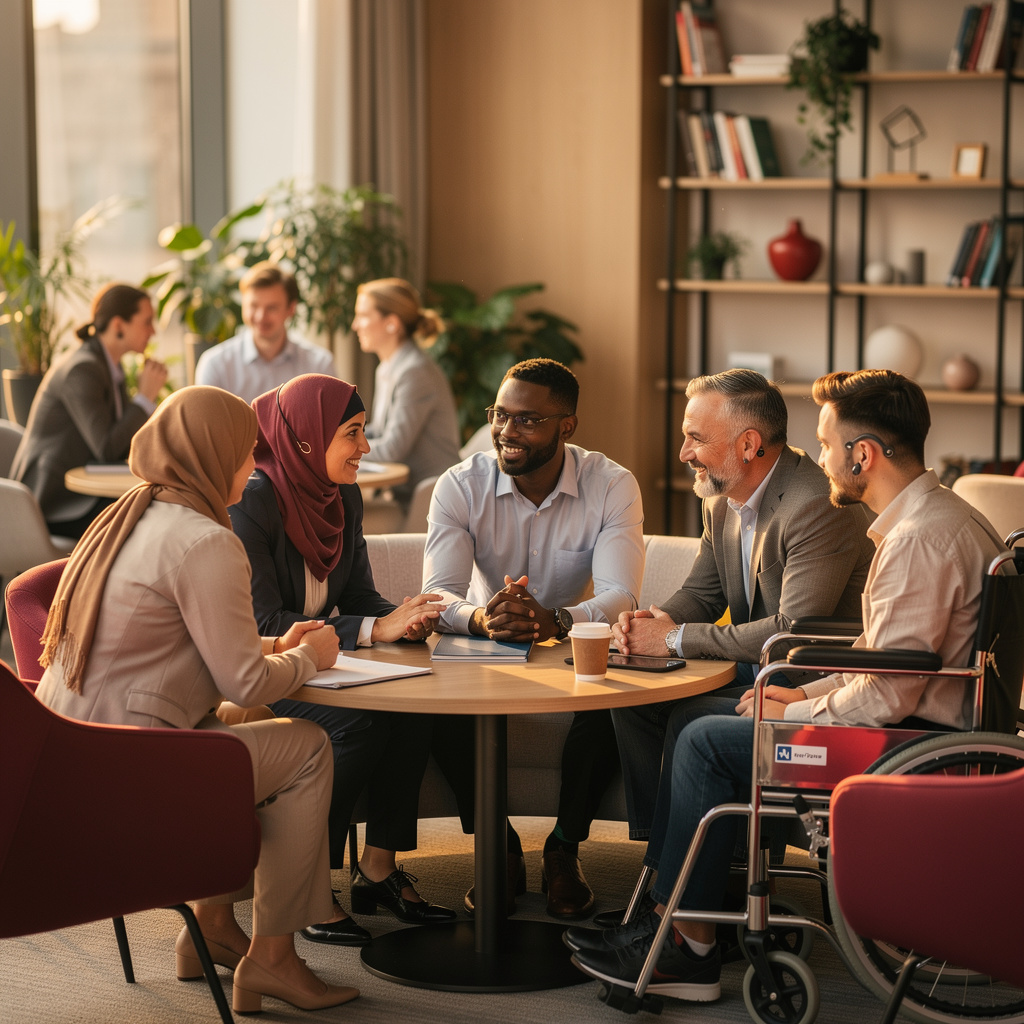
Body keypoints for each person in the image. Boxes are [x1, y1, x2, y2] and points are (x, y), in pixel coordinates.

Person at [569, 369, 1006, 1002]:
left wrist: (805, 702)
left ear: (864, 454)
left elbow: (887, 693)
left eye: (828, 445)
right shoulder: (934, 521)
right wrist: (799, 698)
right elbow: (876, 658)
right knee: (702, 723)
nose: (821, 459)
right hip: (917, 727)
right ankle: (671, 917)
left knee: (702, 739)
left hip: (905, 749)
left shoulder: (918, 541)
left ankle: (686, 948)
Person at [33, 385, 360, 1013]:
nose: (253, 466)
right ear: (212, 454)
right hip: (124, 764)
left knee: (258, 720)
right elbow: (241, 681)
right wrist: (308, 657)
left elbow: (173, 640)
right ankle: (274, 958)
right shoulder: (206, 540)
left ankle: (209, 926)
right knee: (310, 747)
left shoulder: (134, 514)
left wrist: (271, 644)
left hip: (72, 747)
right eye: (245, 453)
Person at [605, 369, 874, 915]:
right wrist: (650, 624)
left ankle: (678, 892)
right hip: (757, 668)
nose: (683, 452)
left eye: (696, 438)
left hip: (807, 678)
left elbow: (792, 629)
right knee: (627, 696)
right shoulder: (723, 496)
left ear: (748, 444)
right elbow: (702, 592)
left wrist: (675, 639)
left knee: (687, 719)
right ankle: (673, 864)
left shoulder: (814, 503)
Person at [229, 372, 455, 939]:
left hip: (320, 667)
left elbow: (357, 597)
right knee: (356, 724)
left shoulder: (341, 496)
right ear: (306, 439)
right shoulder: (254, 501)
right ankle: (305, 884)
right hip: (262, 673)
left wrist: (402, 620)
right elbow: (264, 625)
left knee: (414, 704)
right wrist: (374, 629)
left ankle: (377, 870)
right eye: (351, 433)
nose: (365, 447)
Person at [423, 357, 645, 919]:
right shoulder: (461, 484)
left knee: (609, 706)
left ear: (566, 426)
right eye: (500, 415)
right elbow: (438, 593)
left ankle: (564, 850)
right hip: (485, 639)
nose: (507, 431)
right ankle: (497, 846)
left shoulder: (611, 484)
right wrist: (480, 619)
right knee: (435, 700)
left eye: (527, 421)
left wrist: (556, 620)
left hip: (572, 640)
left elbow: (623, 595)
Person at [11, 283, 168, 537]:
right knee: (149, 517)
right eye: (147, 321)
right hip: (54, 504)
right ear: (118, 325)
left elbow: (124, 444)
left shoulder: (109, 368)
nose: (153, 331)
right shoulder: (82, 369)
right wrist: (144, 398)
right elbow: (107, 448)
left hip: (81, 494)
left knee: (155, 508)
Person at [352, 278, 460, 508]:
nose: (355, 325)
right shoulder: (389, 367)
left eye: (362, 316)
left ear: (391, 323)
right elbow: (380, 432)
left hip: (432, 501)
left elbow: (392, 449)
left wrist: (337, 450)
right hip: (405, 493)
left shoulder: (414, 371)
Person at [194, 262, 335, 402]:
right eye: (253, 306)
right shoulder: (215, 365)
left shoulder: (319, 365)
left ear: (291, 309)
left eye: (272, 308)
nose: (261, 316)